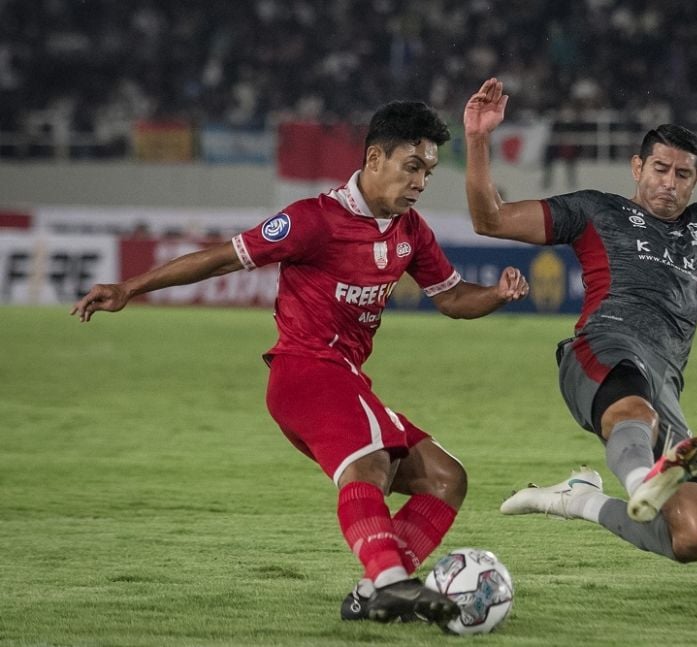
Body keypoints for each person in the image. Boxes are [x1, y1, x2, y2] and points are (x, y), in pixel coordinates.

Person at [71, 100, 530, 626]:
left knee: (447, 478)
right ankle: (390, 581)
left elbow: (451, 299)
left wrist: (494, 294)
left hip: (345, 380)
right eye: (412, 167)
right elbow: (223, 256)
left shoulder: (411, 231)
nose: (421, 182)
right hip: (304, 372)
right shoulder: (313, 219)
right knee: (372, 462)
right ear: (375, 158)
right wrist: (130, 287)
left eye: (427, 171)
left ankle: (370, 592)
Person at [462, 39, 697, 563]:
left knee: (695, 538)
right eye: (660, 168)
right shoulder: (595, 211)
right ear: (637, 166)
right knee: (633, 407)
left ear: (696, 180)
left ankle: (583, 502)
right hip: (601, 353)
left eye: (682, 174)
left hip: (662, 384)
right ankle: (646, 480)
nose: (669, 182)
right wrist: (478, 142)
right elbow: (490, 219)